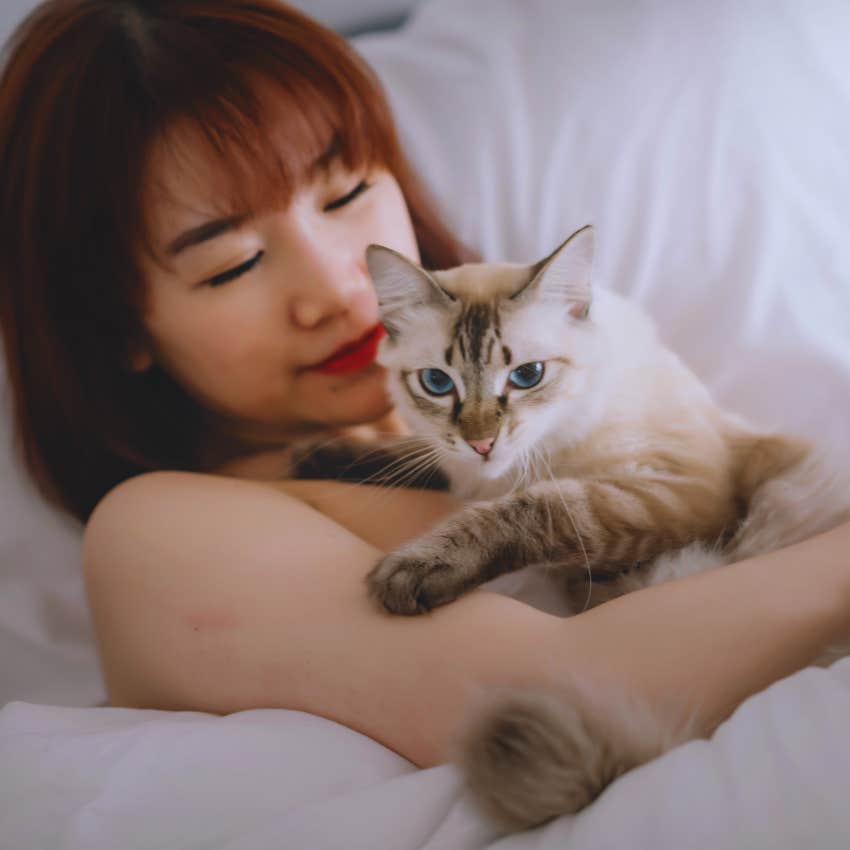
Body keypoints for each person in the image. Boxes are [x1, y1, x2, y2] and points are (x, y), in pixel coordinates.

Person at [0, 0, 848, 769]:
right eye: (235, 263)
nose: (337, 288)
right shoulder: (158, 529)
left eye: (347, 194)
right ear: (116, 328)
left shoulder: (537, 388)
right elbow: (568, 694)